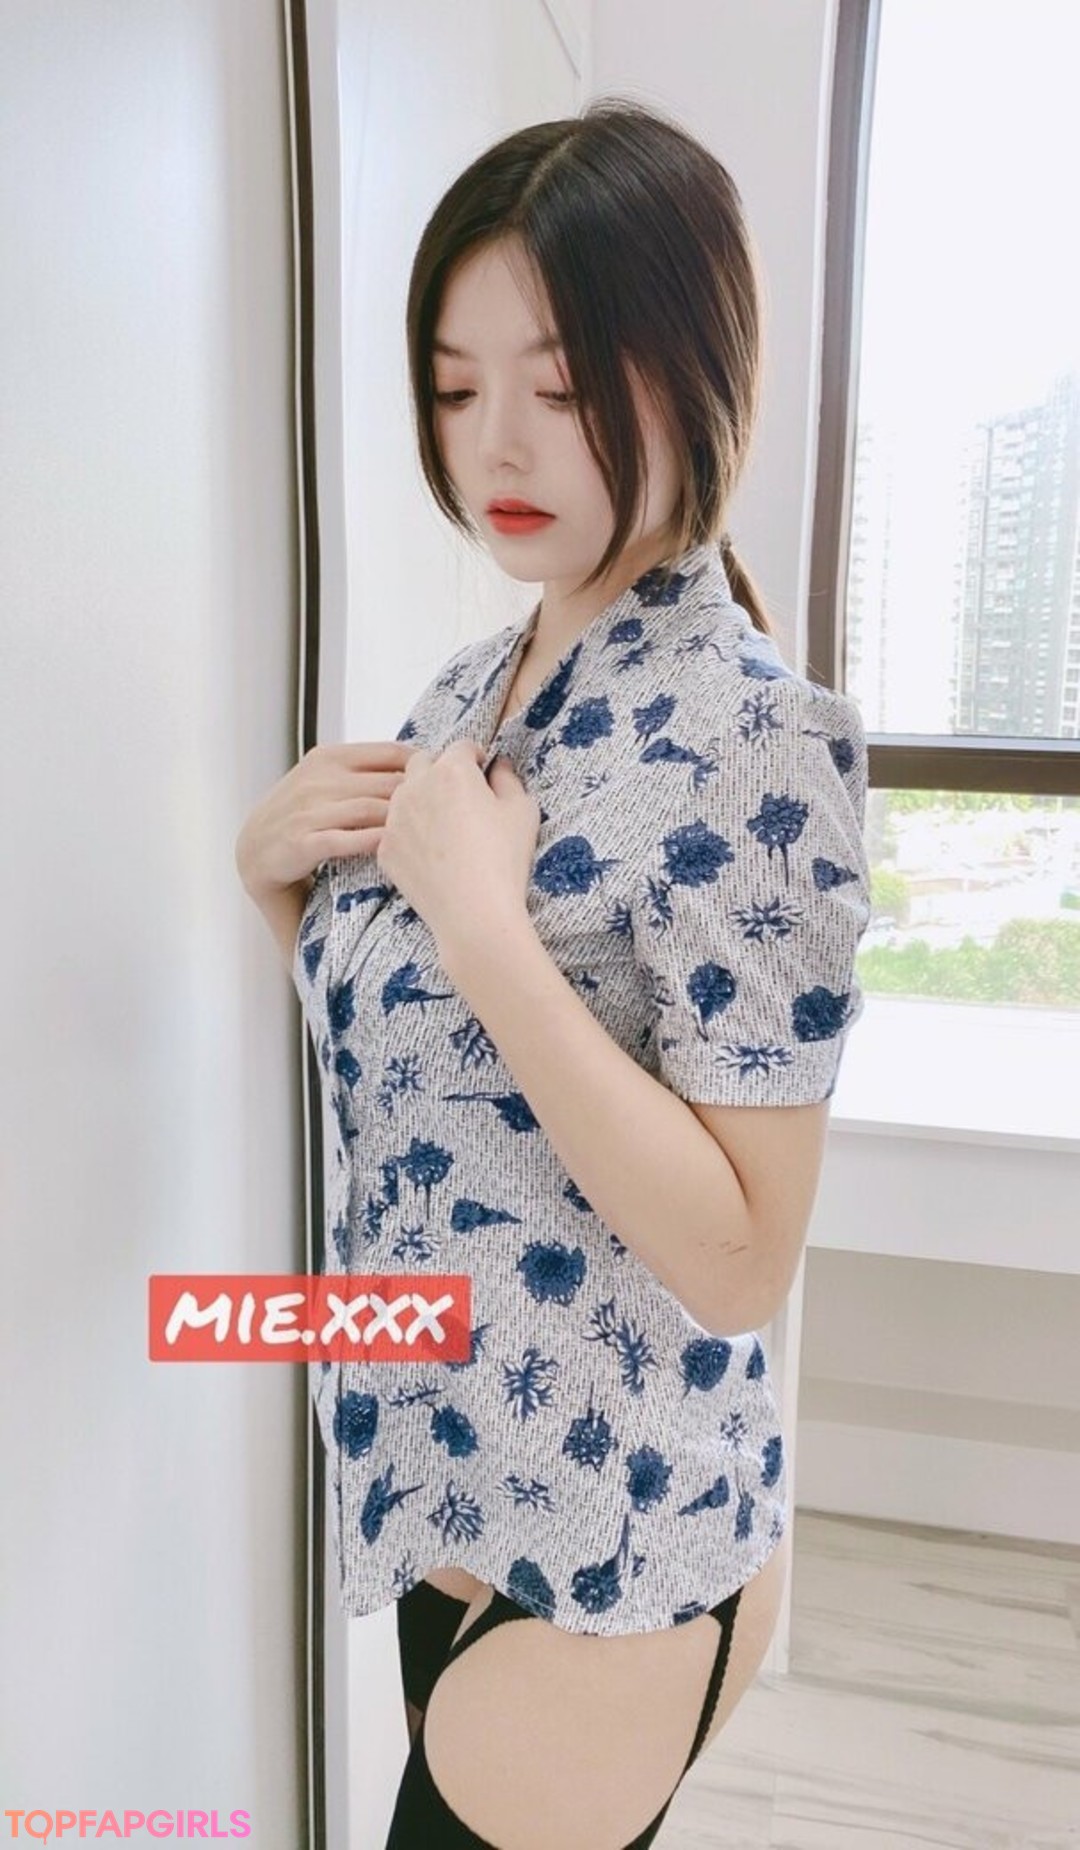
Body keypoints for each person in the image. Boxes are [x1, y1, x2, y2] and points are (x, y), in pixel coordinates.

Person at [237, 93, 871, 1850]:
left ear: (695, 372)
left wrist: (486, 928)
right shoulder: (469, 691)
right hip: (455, 1488)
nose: (497, 442)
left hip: (612, 1553)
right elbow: (434, 1080)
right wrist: (279, 887)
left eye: (566, 385)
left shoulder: (756, 741)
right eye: (455, 387)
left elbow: (742, 1258)